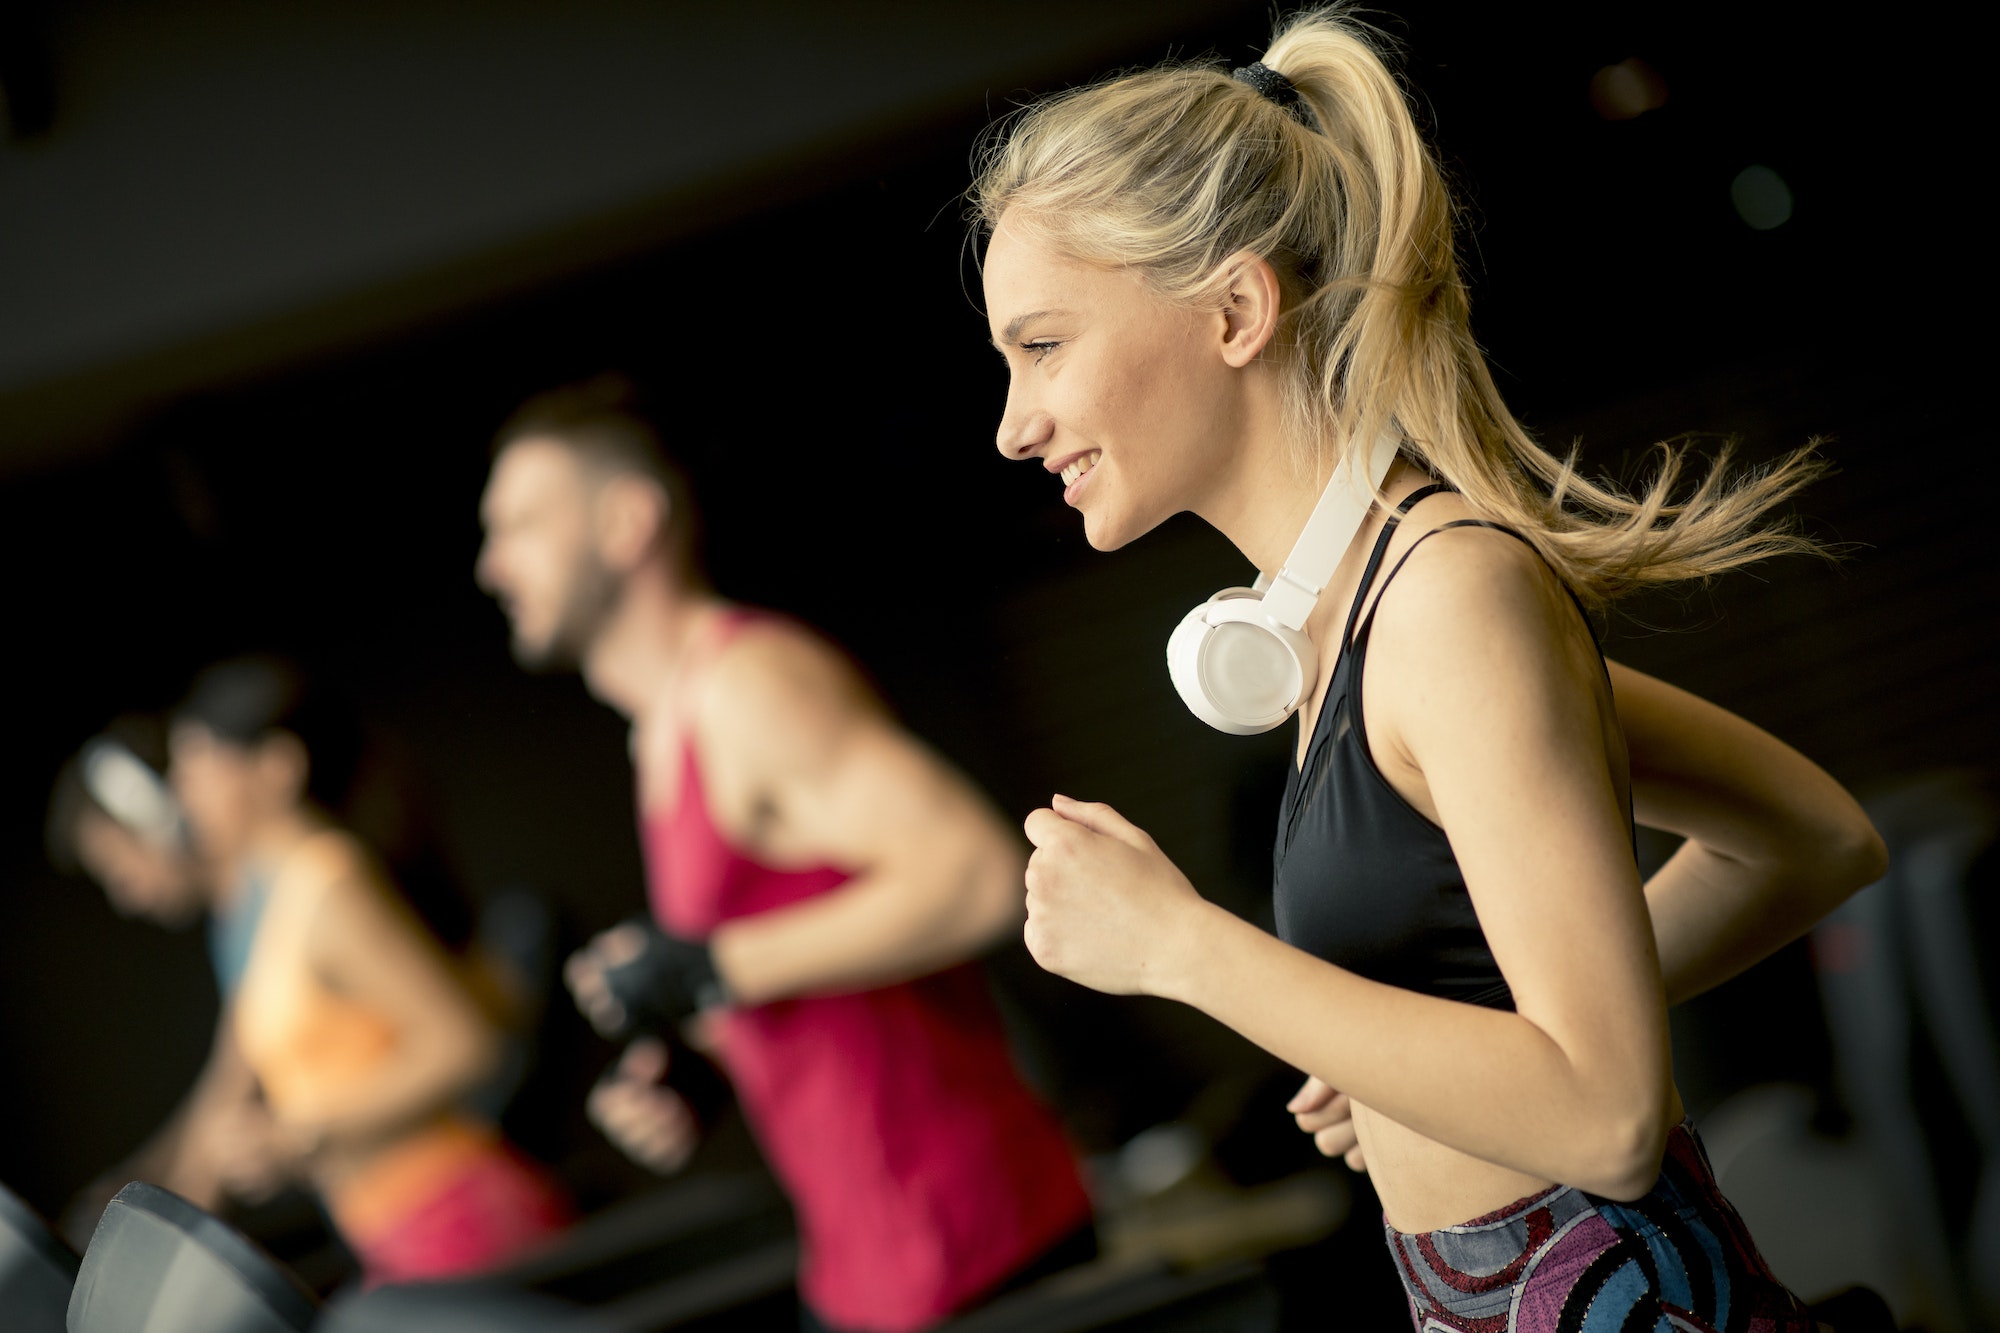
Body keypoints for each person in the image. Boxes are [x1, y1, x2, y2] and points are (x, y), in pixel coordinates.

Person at [974, 9, 1888, 1331]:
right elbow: (1808, 840)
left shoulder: (1449, 599)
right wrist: (1426, 1060)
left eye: (1042, 344)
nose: (1014, 425)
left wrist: (1179, 946)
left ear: (1235, 308)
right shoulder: (1355, 615)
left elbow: (1609, 1116)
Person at [475, 379, 1093, 1333]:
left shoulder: (746, 684)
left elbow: (975, 876)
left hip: (971, 1246)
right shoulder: (661, 729)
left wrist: (715, 968)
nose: (493, 565)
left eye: (519, 524)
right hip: (861, 1274)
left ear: (627, 520)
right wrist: (704, 1062)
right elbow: (806, 948)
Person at [67, 658, 571, 1287]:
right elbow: (228, 1086)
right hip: (394, 1232)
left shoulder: (328, 884)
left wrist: (299, 1134)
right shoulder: (271, 902)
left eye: (199, 766)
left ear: (277, 769)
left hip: (454, 1217)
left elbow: (466, 1047)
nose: (184, 792)